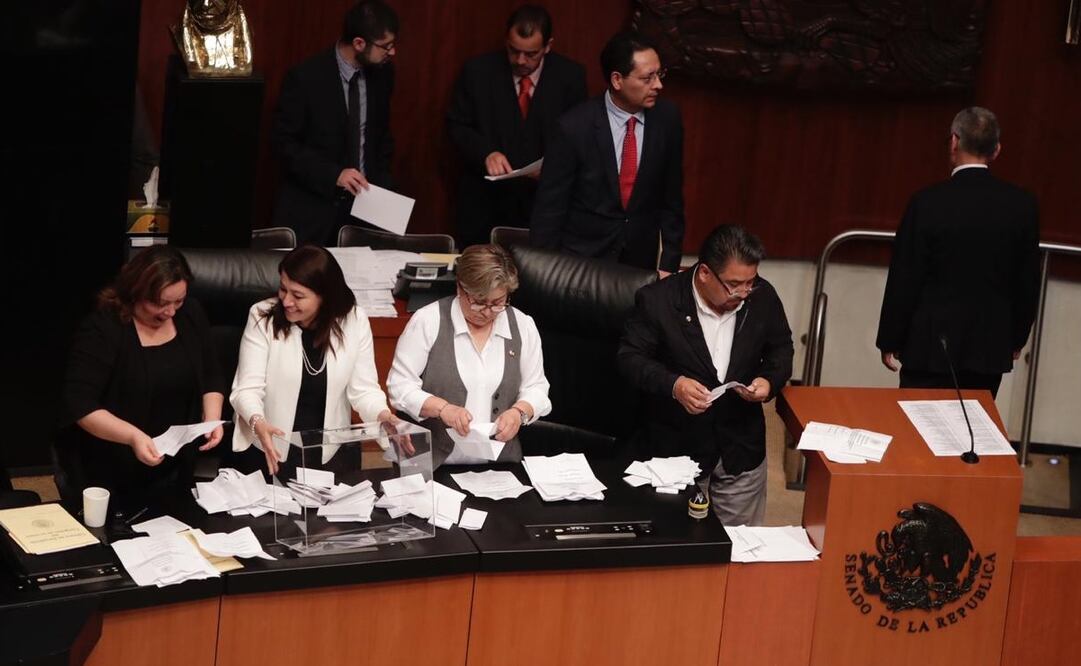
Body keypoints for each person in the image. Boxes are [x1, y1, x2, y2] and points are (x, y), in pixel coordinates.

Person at [618, 225, 793, 525]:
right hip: (675, 450)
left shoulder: (762, 298)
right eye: (734, 284)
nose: (743, 293)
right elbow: (630, 359)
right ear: (704, 274)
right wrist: (675, 385)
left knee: (741, 548)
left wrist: (768, 381)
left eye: (750, 283)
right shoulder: (658, 301)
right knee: (676, 545)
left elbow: (781, 349)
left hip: (739, 446)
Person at [876, 107, 1040, 398]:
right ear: (997, 150)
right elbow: (1027, 282)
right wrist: (1016, 338)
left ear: (954, 141)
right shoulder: (1022, 206)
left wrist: (891, 338)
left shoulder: (927, 202)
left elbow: (906, 276)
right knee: (972, 433)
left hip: (928, 345)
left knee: (918, 433)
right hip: (989, 345)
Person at [56, 246, 225, 511]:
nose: (170, 311)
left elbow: (211, 373)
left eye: (178, 301)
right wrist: (134, 437)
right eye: (160, 303)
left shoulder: (191, 314)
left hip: (175, 465)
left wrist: (212, 419)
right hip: (112, 465)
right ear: (135, 293)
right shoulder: (104, 329)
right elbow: (80, 405)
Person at [230, 245, 397, 474]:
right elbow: (246, 389)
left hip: (331, 452)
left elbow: (364, 390)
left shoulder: (355, 321)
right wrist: (258, 422)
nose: (286, 301)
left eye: (298, 296)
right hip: (271, 449)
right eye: (282, 289)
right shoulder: (262, 317)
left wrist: (383, 415)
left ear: (325, 298)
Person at [530, 30, 684, 276]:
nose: (658, 85)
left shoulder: (668, 120)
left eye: (659, 74)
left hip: (638, 263)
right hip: (581, 262)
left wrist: (668, 263)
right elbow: (550, 209)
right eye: (648, 78)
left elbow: (672, 199)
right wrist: (546, 272)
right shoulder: (573, 127)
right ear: (617, 80)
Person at [387, 244, 551, 468]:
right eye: (478, 302)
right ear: (459, 288)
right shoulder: (427, 321)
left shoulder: (523, 325)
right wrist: (442, 409)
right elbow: (399, 386)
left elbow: (537, 387)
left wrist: (519, 413)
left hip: (498, 465)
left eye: (497, 303)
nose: (486, 312)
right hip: (428, 463)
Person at [446, 4, 586, 247]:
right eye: (513, 51)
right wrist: (485, 153)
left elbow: (581, 137)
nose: (520, 60)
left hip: (543, 206)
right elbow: (457, 125)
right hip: (485, 205)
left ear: (548, 46)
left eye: (531, 54)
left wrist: (555, 166)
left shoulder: (570, 77)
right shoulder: (478, 71)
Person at [271, 0, 399, 246]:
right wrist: (334, 175)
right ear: (359, 43)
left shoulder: (383, 74)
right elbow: (284, 144)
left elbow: (381, 136)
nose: (392, 52)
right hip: (314, 210)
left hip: (366, 211)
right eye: (386, 46)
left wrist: (383, 185)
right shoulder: (305, 78)